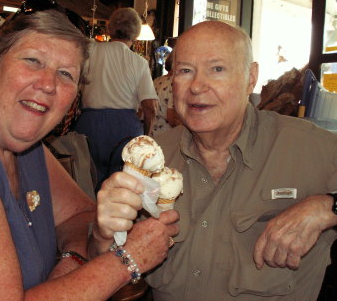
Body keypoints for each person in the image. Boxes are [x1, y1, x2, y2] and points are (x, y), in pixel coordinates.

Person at [0, 0, 179, 301]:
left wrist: (72, 262)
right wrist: (127, 261)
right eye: (32, 61)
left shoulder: (24, 144)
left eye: (66, 74)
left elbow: (80, 215)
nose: (48, 84)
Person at [98, 20, 337, 301]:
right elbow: (107, 260)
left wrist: (327, 206)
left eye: (217, 69)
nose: (198, 86)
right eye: (186, 70)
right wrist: (103, 236)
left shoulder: (310, 146)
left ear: (251, 76)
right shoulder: (151, 158)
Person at [74, 7, 158, 192]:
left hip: (90, 124)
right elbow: (150, 106)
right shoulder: (139, 62)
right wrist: (146, 134)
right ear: (135, 34)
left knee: (87, 182)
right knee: (122, 187)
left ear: (110, 29)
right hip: (125, 127)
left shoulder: (90, 49)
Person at [151, 52, 181, 136]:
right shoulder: (174, 83)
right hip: (167, 135)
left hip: (153, 133)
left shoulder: (157, 80)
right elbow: (171, 118)